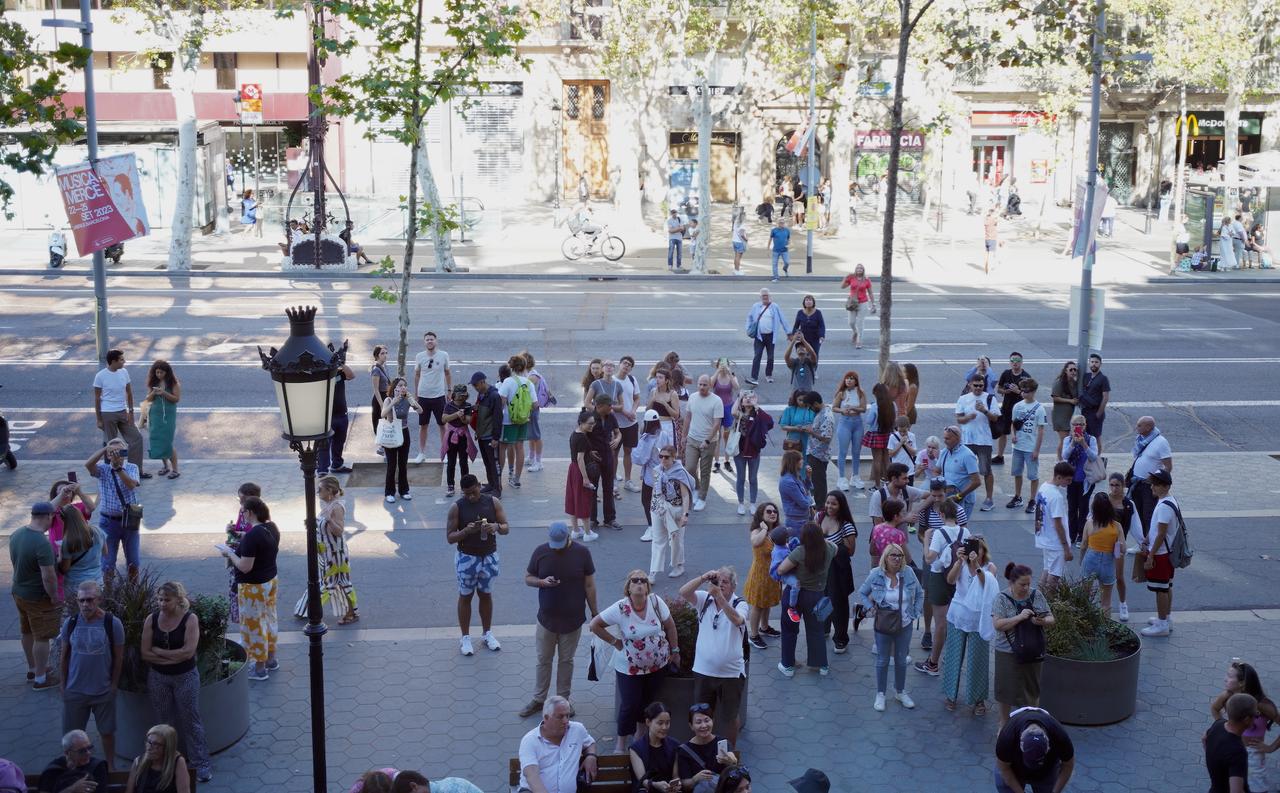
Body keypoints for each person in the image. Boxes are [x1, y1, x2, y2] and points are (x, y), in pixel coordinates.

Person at [589, 571, 679, 752]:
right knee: (629, 704)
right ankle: (621, 743)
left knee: (647, 702)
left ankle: (639, 735)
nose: (639, 583)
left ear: (647, 586)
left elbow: (670, 626)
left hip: (656, 665)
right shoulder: (621, 608)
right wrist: (615, 642)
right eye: (634, 580)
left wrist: (675, 650)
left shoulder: (655, 602)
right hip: (629, 668)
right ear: (628, 587)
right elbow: (594, 625)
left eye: (643, 580)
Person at [520, 522, 599, 718]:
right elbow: (528, 577)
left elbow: (589, 585)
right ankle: (539, 699)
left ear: (569, 538)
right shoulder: (541, 552)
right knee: (543, 660)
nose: (557, 547)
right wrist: (541, 582)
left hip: (572, 621)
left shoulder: (582, 553)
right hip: (546, 620)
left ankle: (563, 701)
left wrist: (595, 613)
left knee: (566, 661)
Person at [140, 581, 211, 782]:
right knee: (164, 722)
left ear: (178, 600)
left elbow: (188, 653)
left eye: (167, 600)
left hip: (185, 677)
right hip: (158, 678)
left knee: (191, 720)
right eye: (160, 599)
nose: (162, 603)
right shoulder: (151, 620)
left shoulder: (190, 619)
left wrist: (160, 652)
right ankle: (167, 763)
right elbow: (145, 653)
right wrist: (174, 656)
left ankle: (201, 764)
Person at [57, 580, 123, 771]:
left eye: (90, 600)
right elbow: (64, 657)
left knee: (107, 732)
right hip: (75, 691)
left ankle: (110, 767)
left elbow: (119, 658)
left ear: (99, 599)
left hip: (103, 691)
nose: (85, 604)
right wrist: (63, 684)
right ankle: (72, 770)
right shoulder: (70, 623)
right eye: (81, 600)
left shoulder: (112, 624)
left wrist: (113, 686)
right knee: (71, 736)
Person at [678, 569, 748, 746]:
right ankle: (703, 749)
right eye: (718, 581)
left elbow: (738, 620)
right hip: (703, 671)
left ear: (733, 586)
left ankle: (731, 752)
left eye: (725, 582)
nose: (721, 585)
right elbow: (684, 592)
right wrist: (702, 578)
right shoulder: (704, 599)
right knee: (701, 716)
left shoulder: (740, 604)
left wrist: (720, 598)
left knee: (730, 716)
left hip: (731, 674)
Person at [446, 475, 510, 655]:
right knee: (465, 596)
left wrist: (496, 527)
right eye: (467, 494)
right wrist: (466, 531)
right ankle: (465, 637)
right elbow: (450, 537)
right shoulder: (457, 507)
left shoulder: (493, 502)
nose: (471, 497)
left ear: (480, 486)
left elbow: (506, 527)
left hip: (489, 557)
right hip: (467, 558)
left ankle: (487, 633)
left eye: (473, 493)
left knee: (486, 595)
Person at [218, 496, 279, 680]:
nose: (241, 514)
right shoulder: (271, 528)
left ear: (250, 512)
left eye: (242, 511)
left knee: (254, 626)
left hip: (253, 587)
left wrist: (229, 553)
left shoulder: (253, 536)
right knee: (269, 619)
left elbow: (245, 566)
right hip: (270, 581)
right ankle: (271, 660)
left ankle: (259, 668)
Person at [857, 542, 923, 711]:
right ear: (885, 558)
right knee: (882, 660)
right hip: (884, 624)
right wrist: (870, 608)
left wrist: (915, 612)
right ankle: (880, 694)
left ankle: (900, 691)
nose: (896, 558)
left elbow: (920, 593)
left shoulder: (908, 573)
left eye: (899, 555)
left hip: (905, 623)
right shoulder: (876, 574)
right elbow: (862, 593)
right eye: (893, 555)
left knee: (901, 660)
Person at [992, 562, 1055, 728]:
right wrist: (1019, 617)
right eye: (1022, 584)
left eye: (1028, 583)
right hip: (1007, 650)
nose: (1026, 588)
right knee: (1005, 690)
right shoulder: (1002, 598)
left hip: (1032, 649)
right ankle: (1003, 723)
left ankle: (1031, 723)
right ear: (1011, 582)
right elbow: (998, 624)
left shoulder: (1036, 595)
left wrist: (1041, 621)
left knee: (1032, 689)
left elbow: (1051, 619)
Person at [941, 535, 998, 715]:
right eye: (971, 547)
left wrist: (974, 564)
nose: (974, 551)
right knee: (953, 656)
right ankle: (950, 695)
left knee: (978, 660)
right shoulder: (961, 563)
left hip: (979, 620)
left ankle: (978, 699)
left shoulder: (990, 568)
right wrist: (959, 561)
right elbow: (950, 580)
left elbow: (983, 583)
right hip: (958, 616)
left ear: (983, 551)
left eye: (978, 548)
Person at [774, 522, 837, 678]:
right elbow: (834, 546)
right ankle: (821, 665)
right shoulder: (828, 549)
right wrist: (824, 540)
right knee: (816, 631)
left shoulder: (800, 552)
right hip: (817, 596)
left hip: (795, 596)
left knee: (789, 630)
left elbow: (781, 569)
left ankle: (788, 666)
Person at [914, 498, 967, 676]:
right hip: (958, 577)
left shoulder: (939, 533)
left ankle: (933, 663)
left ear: (941, 514)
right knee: (954, 621)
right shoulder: (965, 531)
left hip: (939, 578)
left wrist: (926, 539)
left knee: (941, 624)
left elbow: (929, 559)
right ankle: (951, 657)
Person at [1211, 661, 1280, 791]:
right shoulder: (1227, 696)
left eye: (1230, 676)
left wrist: (1270, 748)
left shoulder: (1261, 705)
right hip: (1231, 749)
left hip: (1252, 756)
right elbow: (1214, 708)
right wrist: (1222, 728)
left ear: (1242, 683)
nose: (1225, 679)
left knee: (1256, 787)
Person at [13, 501, 61, 690]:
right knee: (42, 637)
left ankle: (33, 668)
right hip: (37, 598)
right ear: (48, 517)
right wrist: (54, 596)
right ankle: (41, 679)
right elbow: (48, 577)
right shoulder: (42, 543)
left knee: (26, 632)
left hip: (19, 593)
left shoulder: (18, 534)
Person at [298, 476, 357, 623]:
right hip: (327, 552)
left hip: (336, 553)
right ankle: (309, 609)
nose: (318, 492)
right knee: (334, 582)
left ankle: (350, 613)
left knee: (339, 582)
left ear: (329, 490)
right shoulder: (328, 505)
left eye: (320, 490)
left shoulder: (337, 507)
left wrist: (329, 520)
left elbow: (339, 531)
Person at [517, 696, 597, 793]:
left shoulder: (577, 730)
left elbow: (589, 743)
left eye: (567, 715)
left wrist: (591, 756)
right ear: (546, 717)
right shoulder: (530, 740)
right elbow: (532, 775)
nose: (565, 721)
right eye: (560, 717)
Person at [994, 707, 1075, 793]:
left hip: (1046, 770)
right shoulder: (1007, 737)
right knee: (1003, 781)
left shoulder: (1059, 736)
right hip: (1014, 766)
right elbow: (1004, 768)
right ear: (1021, 745)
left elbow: (1068, 766)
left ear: (1048, 746)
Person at [1139, 469, 1180, 637]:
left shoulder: (1164, 507)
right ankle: (1165, 618)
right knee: (1166, 586)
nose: (1152, 488)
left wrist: (1150, 555)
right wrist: (1147, 538)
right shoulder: (1169, 500)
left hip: (1161, 554)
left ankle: (1162, 624)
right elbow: (1157, 529)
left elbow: (1161, 533)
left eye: (1156, 484)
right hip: (1167, 552)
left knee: (1160, 589)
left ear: (1166, 486)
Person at [94, 349, 146, 476]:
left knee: (136, 439)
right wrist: (99, 419)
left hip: (123, 412)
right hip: (108, 414)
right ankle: (111, 473)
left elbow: (129, 392)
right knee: (111, 445)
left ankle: (135, 471)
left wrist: (131, 411)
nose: (124, 361)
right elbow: (96, 398)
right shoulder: (100, 376)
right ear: (113, 361)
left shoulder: (124, 372)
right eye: (122, 359)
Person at [817, 492, 858, 653]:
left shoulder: (846, 525)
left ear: (841, 506)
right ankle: (824, 628)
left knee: (838, 603)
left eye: (833, 504)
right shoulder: (819, 517)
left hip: (838, 570)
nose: (829, 507)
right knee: (822, 598)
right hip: (821, 568)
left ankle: (841, 638)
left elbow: (851, 551)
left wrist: (830, 547)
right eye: (827, 503)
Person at [650, 445, 696, 579]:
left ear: (673, 457)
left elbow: (685, 495)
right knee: (658, 540)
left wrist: (685, 515)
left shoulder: (679, 472)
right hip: (660, 508)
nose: (663, 459)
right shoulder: (657, 471)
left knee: (676, 539)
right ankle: (653, 572)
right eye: (661, 456)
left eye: (666, 457)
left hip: (676, 509)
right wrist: (655, 506)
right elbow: (655, 490)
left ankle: (678, 565)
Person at [742, 503, 783, 649]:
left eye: (775, 511)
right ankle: (753, 635)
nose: (773, 513)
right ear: (761, 514)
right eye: (769, 511)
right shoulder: (757, 530)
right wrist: (765, 529)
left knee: (767, 603)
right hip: (759, 575)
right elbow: (755, 542)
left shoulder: (778, 531)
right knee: (758, 605)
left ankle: (764, 628)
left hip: (772, 575)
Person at [956, 376, 998, 512]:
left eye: (981, 385)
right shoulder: (963, 399)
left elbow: (995, 418)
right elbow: (959, 419)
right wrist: (968, 417)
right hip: (967, 440)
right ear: (970, 385)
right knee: (965, 471)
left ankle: (989, 499)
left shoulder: (990, 398)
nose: (979, 388)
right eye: (976, 385)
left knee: (986, 470)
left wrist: (984, 411)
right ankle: (964, 496)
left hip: (984, 440)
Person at [678, 704, 741, 791]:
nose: (704, 726)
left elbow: (734, 768)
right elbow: (684, 784)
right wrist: (695, 779)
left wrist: (732, 761)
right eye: (698, 722)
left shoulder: (723, 742)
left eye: (707, 720)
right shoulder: (684, 751)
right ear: (691, 726)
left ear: (713, 721)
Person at [135, 360, 182, 479]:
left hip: (167, 417)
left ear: (167, 372)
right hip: (155, 415)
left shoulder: (173, 383)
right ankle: (165, 466)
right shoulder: (154, 382)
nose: (159, 375)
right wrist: (154, 393)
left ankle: (175, 469)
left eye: (161, 372)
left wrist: (163, 393)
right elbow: (148, 399)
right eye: (157, 372)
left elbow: (176, 399)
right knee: (158, 440)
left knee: (167, 442)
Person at [684, 375, 723, 512]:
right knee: (689, 468)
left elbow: (717, 423)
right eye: (700, 384)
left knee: (705, 471)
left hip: (709, 441)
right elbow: (688, 417)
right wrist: (684, 436)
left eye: (704, 385)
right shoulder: (693, 397)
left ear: (710, 386)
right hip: (692, 439)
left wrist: (707, 440)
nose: (701, 387)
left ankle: (702, 498)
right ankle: (696, 487)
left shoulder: (717, 401)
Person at [412, 331, 451, 465]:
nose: (429, 341)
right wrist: (416, 393)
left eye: (432, 339)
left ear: (436, 341)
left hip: (439, 395)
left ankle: (444, 453)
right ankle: (421, 453)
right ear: (424, 342)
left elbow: (447, 373)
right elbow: (417, 375)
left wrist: (449, 390)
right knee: (423, 425)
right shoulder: (419, 356)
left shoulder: (443, 355)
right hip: (423, 396)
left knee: (442, 425)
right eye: (427, 339)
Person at [1007, 378, 1046, 512]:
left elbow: (1041, 431)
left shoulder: (1040, 409)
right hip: (1018, 446)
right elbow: (1014, 423)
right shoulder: (1017, 406)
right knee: (1017, 473)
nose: (1023, 393)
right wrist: (1013, 435)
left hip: (1030, 447)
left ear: (1033, 392)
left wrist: (1036, 450)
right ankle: (1017, 496)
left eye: (1027, 391)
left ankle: (1032, 499)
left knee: (1033, 475)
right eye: (1022, 390)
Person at [1205, 694, 1258, 793]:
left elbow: (1204, 738)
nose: (1257, 717)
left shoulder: (1218, 724)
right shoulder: (1237, 751)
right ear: (1247, 719)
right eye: (1256, 714)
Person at [381, 378, 423, 503]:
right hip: (392, 433)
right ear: (395, 388)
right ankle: (389, 492)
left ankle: (404, 490)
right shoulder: (388, 399)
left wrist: (412, 401)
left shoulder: (407, 400)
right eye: (400, 385)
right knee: (392, 465)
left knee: (403, 464)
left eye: (405, 385)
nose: (403, 387)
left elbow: (421, 411)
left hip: (404, 432)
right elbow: (383, 414)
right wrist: (393, 401)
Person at [1060, 415, 1099, 547]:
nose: (1078, 427)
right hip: (1071, 479)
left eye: (1081, 424)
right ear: (1071, 426)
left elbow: (1094, 457)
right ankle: (1071, 534)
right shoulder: (1067, 439)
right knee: (1072, 508)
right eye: (1075, 424)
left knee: (1083, 508)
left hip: (1085, 480)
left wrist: (1083, 444)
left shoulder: (1091, 439)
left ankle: (1081, 535)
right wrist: (1073, 443)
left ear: (1085, 425)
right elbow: (1064, 455)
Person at [1130, 415, 1173, 536]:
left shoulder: (1161, 442)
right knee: (1138, 514)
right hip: (1137, 483)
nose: (1136, 427)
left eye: (1139, 425)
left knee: (1148, 514)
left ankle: (1150, 542)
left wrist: (1156, 482)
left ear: (1148, 427)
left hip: (1149, 486)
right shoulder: (1141, 439)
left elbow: (1168, 466)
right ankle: (1142, 541)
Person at [1034, 463, 1074, 591]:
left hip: (1045, 538)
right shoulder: (1057, 496)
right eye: (1068, 480)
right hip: (1055, 542)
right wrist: (1066, 547)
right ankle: (1048, 605)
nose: (1070, 482)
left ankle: (1038, 601)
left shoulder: (1043, 487)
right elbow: (1058, 524)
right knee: (1054, 576)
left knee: (1047, 570)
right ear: (1058, 477)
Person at [1080, 492, 1121, 615]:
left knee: (1084, 598)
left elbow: (1083, 545)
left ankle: (1085, 624)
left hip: (1091, 558)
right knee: (1106, 602)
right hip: (1108, 561)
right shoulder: (1116, 526)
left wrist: (1081, 560)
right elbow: (1122, 548)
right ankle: (1105, 628)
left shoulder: (1090, 524)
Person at [588, 395, 623, 532]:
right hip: (594, 459)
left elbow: (618, 433)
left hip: (608, 457)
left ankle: (610, 519)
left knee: (608, 488)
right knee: (592, 489)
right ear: (600, 406)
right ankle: (592, 519)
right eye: (609, 405)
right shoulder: (589, 417)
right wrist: (589, 451)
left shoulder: (611, 417)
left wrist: (617, 439)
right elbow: (581, 435)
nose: (611, 407)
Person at [501, 355, 536, 489]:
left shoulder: (508, 382)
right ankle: (516, 479)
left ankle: (499, 478)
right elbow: (535, 405)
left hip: (508, 420)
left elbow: (502, 402)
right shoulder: (529, 383)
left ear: (511, 367)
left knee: (503, 446)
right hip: (523, 419)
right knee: (520, 447)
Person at [123, 724, 191, 793]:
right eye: (149, 742)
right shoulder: (138, 762)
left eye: (156, 744)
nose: (149, 747)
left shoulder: (178, 762)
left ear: (167, 747)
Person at [629, 702, 680, 793]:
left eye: (667, 723)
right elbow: (642, 780)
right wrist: (656, 785)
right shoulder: (636, 748)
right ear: (648, 722)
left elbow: (675, 776)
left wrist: (677, 784)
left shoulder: (674, 745)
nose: (664, 727)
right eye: (660, 723)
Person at [38, 730, 109, 793]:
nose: (88, 753)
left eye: (89, 748)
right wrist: (72, 789)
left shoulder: (97, 766)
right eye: (81, 751)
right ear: (67, 753)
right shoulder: (53, 770)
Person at [564, 410, 598, 541]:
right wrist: (585, 478)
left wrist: (590, 452)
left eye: (593, 423)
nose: (592, 426)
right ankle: (588, 533)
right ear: (581, 423)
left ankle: (576, 530)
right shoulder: (583, 437)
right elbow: (580, 458)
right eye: (589, 424)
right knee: (583, 500)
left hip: (572, 469)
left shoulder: (575, 433)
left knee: (573, 499)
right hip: (579, 470)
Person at [994, 352, 1031, 465]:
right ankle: (1000, 456)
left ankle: (1020, 457)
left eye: (1018, 361)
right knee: (1003, 433)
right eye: (1013, 361)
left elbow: (1029, 395)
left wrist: (1018, 391)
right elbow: (999, 388)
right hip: (1007, 408)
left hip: (1021, 410)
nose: (1015, 363)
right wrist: (1005, 391)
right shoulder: (1006, 373)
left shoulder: (1026, 376)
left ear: (1022, 362)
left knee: (1020, 434)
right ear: (1010, 362)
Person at [319, 358, 355, 477]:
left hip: (341, 414)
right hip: (327, 416)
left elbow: (351, 375)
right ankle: (322, 469)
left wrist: (342, 364)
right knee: (324, 443)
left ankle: (337, 465)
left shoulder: (339, 373)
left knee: (339, 442)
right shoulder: (321, 375)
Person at [470, 371, 503, 497]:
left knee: (494, 463)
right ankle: (491, 484)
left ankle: (497, 489)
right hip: (482, 435)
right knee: (487, 462)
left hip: (490, 437)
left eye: (476, 385)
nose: (475, 388)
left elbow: (497, 418)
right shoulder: (481, 394)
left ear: (483, 382)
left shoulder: (494, 396)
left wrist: (496, 437)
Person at [832, 371, 867, 491]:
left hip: (857, 423)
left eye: (852, 378)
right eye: (847, 378)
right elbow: (834, 407)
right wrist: (842, 411)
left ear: (856, 381)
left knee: (856, 451)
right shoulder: (841, 393)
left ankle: (855, 476)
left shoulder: (860, 392)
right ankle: (841, 477)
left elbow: (863, 409)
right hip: (844, 423)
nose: (849, 380)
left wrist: (853, 407)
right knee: (843, 451)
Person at [745, 289, 787, 386]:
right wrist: (748, 328)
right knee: (757, 356)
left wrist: (788, 332)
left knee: (770, 357)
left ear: (770, 296)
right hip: (759, 336)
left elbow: (783, 319)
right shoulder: (756, 306)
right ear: (760, 297)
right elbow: (749, 317)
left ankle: (769, 375)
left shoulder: (775, 306)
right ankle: (754, 378)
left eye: (766, 295)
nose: (765, 297)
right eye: (763, 295)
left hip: (771, 336)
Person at [441, 385, 476, 497]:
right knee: (451, 462)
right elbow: (444, 419)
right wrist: (456, 414)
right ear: (454, 395)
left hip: (463, 435)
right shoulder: (448, 405)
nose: (461, 398)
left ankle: (464, 486)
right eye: (459, 395)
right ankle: (450, 485)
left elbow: (468, 421)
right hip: (451, 435)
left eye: (463, 395)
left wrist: (462, 417)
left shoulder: (468, 406)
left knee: (463, 462)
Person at [938, 425, 981, 516]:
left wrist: (959, 496)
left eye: (948, 439)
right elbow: (936, 470)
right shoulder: (944, 452)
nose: (944, 441)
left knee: (960, 527)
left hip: (963, 499)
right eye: (944, 438)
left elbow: (977, 481)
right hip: (948, 497)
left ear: (957, 438)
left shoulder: (967, 455)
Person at [616, 356, 644, 491]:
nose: (626, 366)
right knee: (613, 453)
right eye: (624, 363)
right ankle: (613, 480)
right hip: (616, 425)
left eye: (629, 365)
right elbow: (611, 404)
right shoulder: (613, 381)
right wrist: (626, 413)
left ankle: (628, 481)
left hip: (631, 424)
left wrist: (633, 410)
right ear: (619, 364)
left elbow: (637, 398)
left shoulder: (632, 380)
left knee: (628, 452)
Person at [803, 391, 835, 509]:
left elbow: (826, 438)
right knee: (816, 482)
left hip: (819, 455)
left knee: (819, 483)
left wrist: (812, 432)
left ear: (816, 403)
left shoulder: (827, 416)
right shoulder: (822, 412)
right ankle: (819, 504)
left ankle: (821, 507)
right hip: (814, 452)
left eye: (811, 406)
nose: (810, 409)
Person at [862, 383, 896, 489]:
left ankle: (877, 485)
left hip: (876, 434)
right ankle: (888, 483)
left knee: (877, 460)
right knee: (887, 459)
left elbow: (869, 421)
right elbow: (895, 420)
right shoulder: (892, 405)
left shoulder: (875, 406)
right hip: (888, 434)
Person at [710, 360, 739, 473]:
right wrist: (717, 372)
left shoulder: (731, 376)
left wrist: (730, 373)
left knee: (727, 436)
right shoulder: (715, 376)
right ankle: (716, 462)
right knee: (716, 437)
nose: (723, 367)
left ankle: (727, 461)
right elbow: (710, 384)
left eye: (725, 365)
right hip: (716, 408)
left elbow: (737, 387)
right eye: (721, 365)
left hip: (728, 408)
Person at [841, 264, 876, 349]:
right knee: (851, 322)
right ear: (855, 270)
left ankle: (859, 341)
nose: (859, 269)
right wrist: (845, 278)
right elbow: (842, 287)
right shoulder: (851, 277)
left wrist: (873, 303)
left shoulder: (867, 280)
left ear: (863, 270)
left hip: (863, 303)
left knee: (860, 322)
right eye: (858, 268)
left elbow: (870, 292)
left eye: (861, 268)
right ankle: (855, 332)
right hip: (852, 303)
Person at [778, 450, 813, 532]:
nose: (803, 461)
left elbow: (805, 490)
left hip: (802, 519)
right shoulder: (788, 482)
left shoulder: (795, 476)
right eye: (800, 459)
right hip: (796, 523)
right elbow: (804, 503)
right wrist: (810, 499)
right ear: (794, 462)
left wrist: (808, 477)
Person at [1049, 362, 1078, 457]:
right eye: (1071, 369)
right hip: (1060, 416)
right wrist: (1070, 401)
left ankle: (1063, 460)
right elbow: (1055, 397)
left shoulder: (1073, 383)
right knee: (1064, 440)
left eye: (1075, 369)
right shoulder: (1060, 382)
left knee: (1066, 439)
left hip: (1067, 416)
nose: (1073, 371)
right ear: (1066, 371)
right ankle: (1060, 460)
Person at [791, 295, 826, 375]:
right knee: (803, 355)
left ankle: (813, 370)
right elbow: (796, 325)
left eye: (810, 300)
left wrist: (821, 336)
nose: (808, 301)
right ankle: (803, 369)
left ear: (813, 302)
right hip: (804, 338)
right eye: (806, 300)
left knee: (814, 354)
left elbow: (821, 325)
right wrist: (793, 335)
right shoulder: (800, 312)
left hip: (815, 338)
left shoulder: (818, 313)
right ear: (804, 302)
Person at [1079, 353, 1110, 442]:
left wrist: (1099, 414)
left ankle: (1097, 455)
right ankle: (1089, 455)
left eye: (1096, 362)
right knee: (1085, 435)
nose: (1094, 364)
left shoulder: (1103, 379)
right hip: (1085, 411)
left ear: (1100, 364)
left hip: (1095, 412)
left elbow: (1105, 397)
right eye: (1092, 362)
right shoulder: (1086, 376)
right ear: (1089, 363)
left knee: (1096, 437)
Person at [779, 389, 816, 458]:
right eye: (800, 400)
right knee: (794, 461)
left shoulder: (812, 409)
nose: (802, 402)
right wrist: (795, 428)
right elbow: (783, 426)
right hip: (794, 441)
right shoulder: (789, 409)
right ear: (795, 399)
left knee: (807, 463)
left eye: (804, 400)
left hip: (809, 441)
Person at [369, 345, 392, 442]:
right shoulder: (376, 370)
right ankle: (382, 447)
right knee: (380, 423)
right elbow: (376, 389)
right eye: (382, 353)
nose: (385, 355)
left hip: (386, 396)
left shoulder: (384, 366)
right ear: (377, 355)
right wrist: (382, 405)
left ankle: (386, 445)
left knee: (388, 423)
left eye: (386, 353)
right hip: (380, 398)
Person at [768, 217, 791, 282]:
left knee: (787, 262)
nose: (782, 224)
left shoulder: (787, 230)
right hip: (776, 250)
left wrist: (789, 244)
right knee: (774, 264)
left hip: (784, 250)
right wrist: (768, 248)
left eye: (783, 223)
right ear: (777, 223)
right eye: (780, 223)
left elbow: (789, 239)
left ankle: (785, 269)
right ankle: (776, 277)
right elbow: (770, 239)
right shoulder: (774, 230)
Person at [983, 208, 1000, 273]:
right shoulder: (993, 220)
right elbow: (998, 220)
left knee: (987, 254)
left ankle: (986, 268)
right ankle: (990, 268)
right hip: (992, 238)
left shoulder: (986, 219)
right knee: (992, 254)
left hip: (987, 239)